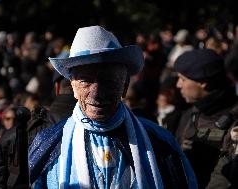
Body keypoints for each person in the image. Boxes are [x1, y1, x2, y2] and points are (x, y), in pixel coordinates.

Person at [29, 25, 197, 189]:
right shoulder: (48, 144)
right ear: (73, 87)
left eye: (108, 81)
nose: (96, 93)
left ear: (125, 86)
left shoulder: (160, 143)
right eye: (86, 81)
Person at [174, 49, 238, 188]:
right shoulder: (191, 112)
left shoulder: (234, 121)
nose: (178, 85)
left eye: (183, 79)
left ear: (202, 82)